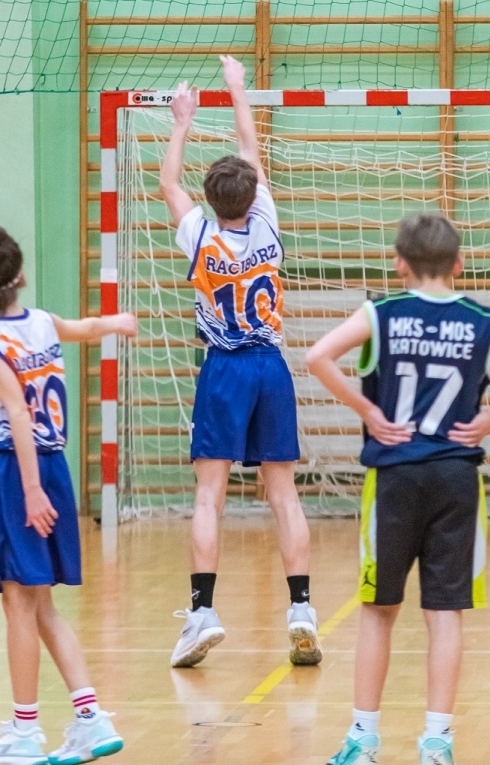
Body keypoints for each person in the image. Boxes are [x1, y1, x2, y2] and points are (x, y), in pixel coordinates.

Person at [306, 212, 490, 765]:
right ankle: (437, 743)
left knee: (378, 609)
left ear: (399, 263)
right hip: (455, 477)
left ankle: (363, 739)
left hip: (394, 475)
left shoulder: (381, 313)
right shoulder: (484, 319)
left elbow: (316, 356)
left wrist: (369, 411)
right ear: (458, 264)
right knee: (445, 612)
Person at [160, 54, 321, 669]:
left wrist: (182, 122)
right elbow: (250, 151)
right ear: (255, 196)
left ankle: (202, 613)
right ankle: (301, 609)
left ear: (211, 201)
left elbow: (168, 185)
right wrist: (237, 90)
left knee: (210, 495)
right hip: (270, 368)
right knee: (284, 494)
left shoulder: (200, 234)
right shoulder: (268, 224)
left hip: (225, 369)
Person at [0, 226, 137, 765]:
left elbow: (17, 411)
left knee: (18, 602)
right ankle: (90, 719)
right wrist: (117, 322)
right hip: (53, 464)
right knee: (41, 605)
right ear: (21, 277)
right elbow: (84, 328)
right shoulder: (42, 322)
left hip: (13, 471)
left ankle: (24, 731)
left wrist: (31, 491)